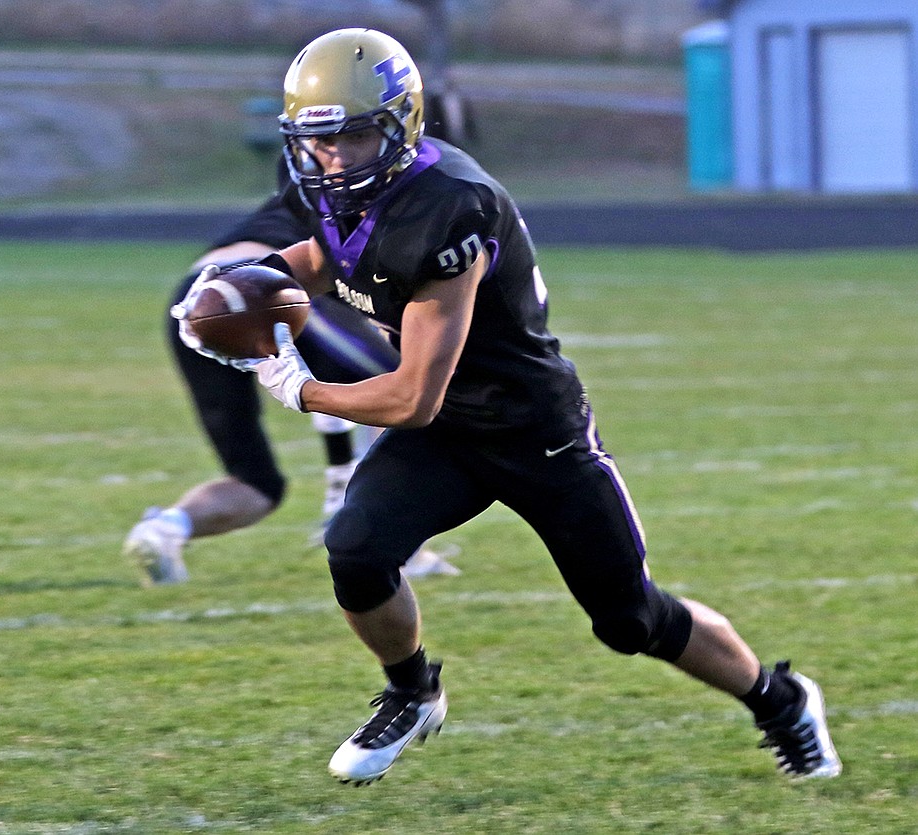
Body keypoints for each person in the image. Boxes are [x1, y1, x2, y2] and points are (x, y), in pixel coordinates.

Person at [176, 28, 841, 784]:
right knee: (356, 549)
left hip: (532, 429)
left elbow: (411, 396)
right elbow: (331, 255)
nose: (331, 158)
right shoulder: (329, 178)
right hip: (453, 431)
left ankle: (780, 698)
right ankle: (412, 690)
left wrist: (297, 385)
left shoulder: (452, 207)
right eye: (317, 141)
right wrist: (239, 289)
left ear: (399, 126)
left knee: (631, 620)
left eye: (353, 136)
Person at [123, 162, 460, 584]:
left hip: (197, 302)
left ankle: (166, 528)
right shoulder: (362, 200)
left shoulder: (309, 189)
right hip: (267, 291)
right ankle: (386, 535)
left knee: (258, 484)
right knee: (404, 386)